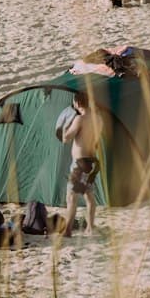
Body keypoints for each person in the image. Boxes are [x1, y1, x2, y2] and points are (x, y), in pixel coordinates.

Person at [61, 92, 103, 236]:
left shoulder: (79, 119)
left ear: (77, 103)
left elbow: (66, 138)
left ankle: (67, 230)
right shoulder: (98, 119)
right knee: (89, 195)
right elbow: (96, 142)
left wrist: (65, 125)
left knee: (71, 197)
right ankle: (90, 227)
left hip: (79, 163)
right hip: (92, 162)